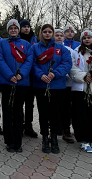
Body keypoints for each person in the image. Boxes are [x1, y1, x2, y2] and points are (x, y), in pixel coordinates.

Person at [32, 25, 72, 154]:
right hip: (41, 85)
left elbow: (67, 63)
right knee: (43, 113)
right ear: (41, 33)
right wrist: (40, 75)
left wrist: (55, 73)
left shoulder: (61, 48)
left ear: (53, 33)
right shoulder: (35, 48)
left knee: (55, 113)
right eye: (45, 32)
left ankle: (54, 137)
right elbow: (32, 64)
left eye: (50, 32)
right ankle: (44, 137)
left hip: (57, 86)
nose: (47, 34)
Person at [0, 19, 33, 152]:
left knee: (18, 112)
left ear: (18, 30)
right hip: (6, 82)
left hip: (21, 83)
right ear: (8, 30)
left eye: (15, 28)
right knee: (7, 111)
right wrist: (9, 75)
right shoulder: (1, 43)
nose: (13, 30)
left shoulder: (26, 44)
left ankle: (18, 141)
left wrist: (21, 74)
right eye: (10, 28)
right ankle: (9, 140)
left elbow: (29, 60)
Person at [19, 19, 38, 138]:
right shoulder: (17, 39)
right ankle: (19, 124)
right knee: (19, 102)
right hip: (20, 75)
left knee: (30, 103)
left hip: (32, 76)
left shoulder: (34, 39)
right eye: (24, 26)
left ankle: (28, 125)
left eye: (28, 26)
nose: (26, 28)